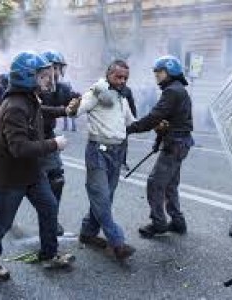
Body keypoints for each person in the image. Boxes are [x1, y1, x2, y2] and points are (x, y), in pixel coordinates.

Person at [0, 51, 75, 282]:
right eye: (42, 76)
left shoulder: (28, 99)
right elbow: (19, 148)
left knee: (49, 207)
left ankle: (49, 254)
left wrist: (65, 110)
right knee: (2, 221)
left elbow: (40, 112)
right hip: (12, 178)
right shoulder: (14, 106)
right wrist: (54, 143)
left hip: (33, 173)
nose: (48, 79)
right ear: (26, 77)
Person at [72, 60, 136, 260]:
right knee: (101, 198)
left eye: (125, 77)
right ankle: (117, 243)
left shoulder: (121, 97)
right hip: (97, 152)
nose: (122, 81)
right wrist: (73, 107)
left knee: (105, 198)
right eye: (118, 76)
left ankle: (87, 232)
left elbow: (131, 123)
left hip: (116, 154)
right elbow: (76, 111)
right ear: (108, 74)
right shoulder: (95, 92)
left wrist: (155, 124)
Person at [127, 55, 194, 238]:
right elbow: (167, 121)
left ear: (171, 72)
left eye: (160, 72)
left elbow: (155, 117)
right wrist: (158, 141)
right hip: (179, 143)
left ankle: (159, 223)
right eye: (156, 73)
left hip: (175, 144)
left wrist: (130, 129)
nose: (157, 76)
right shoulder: (177, 89)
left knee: (155, 184)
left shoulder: (172, 91)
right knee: (170, 185)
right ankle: (178, 222)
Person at [40, 50, 81, 236]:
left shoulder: (62, 88)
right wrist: (63, 110)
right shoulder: (32, 86)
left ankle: (51, 220)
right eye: (52, 68)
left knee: (56, 178)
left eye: (58, 68)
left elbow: (77, 98)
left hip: (47, 137)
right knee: (14, 188)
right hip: (26, 139)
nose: (55, 72)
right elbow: (38, 109)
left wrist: (83, 99)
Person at [110, 60, 137, 171]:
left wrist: (133, 122)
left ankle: (122, 162)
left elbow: (132, 106)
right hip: (110, 123)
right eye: (120, 77)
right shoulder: (106, 88)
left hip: (122, 123)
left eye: (125, 78)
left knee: (123, 144)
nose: (122, 80)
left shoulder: (127, 91)